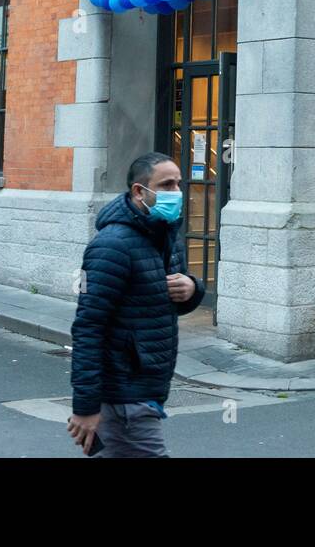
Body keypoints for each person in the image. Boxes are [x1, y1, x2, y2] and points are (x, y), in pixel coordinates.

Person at [67, 153, 205, 456]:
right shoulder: (112, 246)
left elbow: (163, 304)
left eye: (178, 184)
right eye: (166, 185)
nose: (176, 192)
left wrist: (192, 289)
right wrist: (86, 407)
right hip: (124, 394)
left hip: (146, 387)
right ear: (139, 192)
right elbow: (88, 327)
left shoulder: (165, 235)